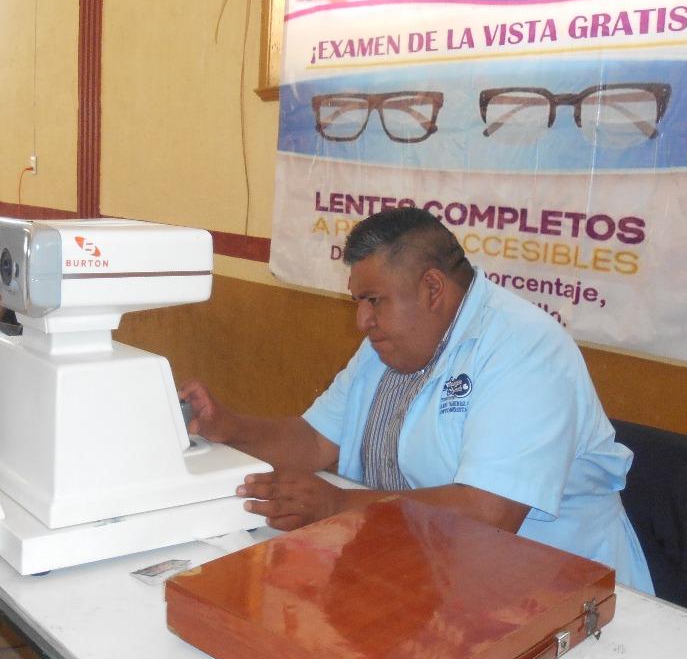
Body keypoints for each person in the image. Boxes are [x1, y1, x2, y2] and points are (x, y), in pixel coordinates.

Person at [181, 207, 653, 592]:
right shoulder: (386, 346)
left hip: (562, 588)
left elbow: (489, 515)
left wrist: (338, 506)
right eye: (358, 303)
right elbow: (314, 440)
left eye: (374, 300)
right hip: (433, 574)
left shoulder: (525, 348)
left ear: (432, 288)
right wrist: (229, 426)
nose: (362, 321)